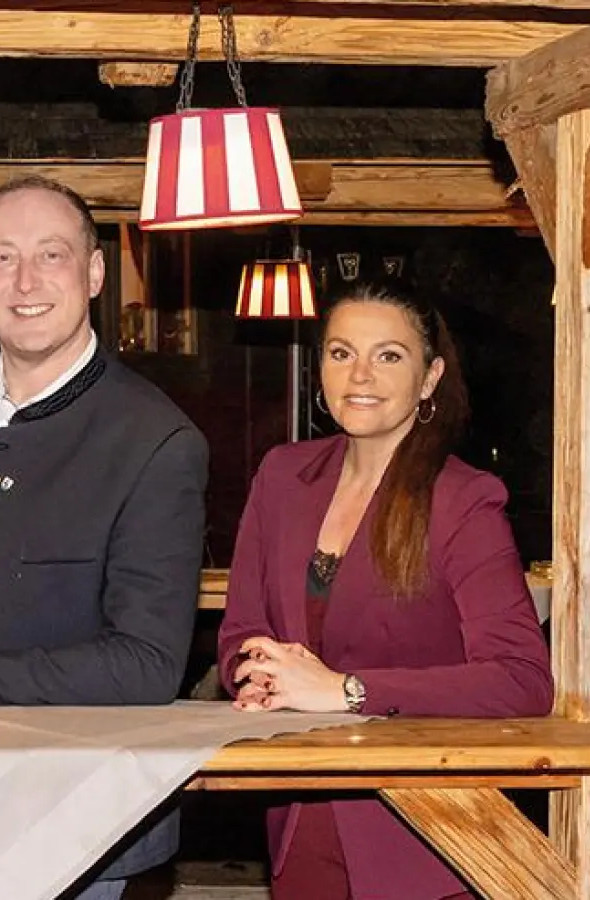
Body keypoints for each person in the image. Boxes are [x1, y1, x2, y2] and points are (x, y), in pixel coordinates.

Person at [0, 175, 210, 899]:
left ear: (93, 273)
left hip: (65, 812)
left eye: (51, 256)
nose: (24, 281)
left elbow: (146, 665)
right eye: (0, 257)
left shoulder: (156, 439)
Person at [217, 283, 554, 900]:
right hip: (300, 812)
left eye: (389, 355)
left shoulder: (464, 499)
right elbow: (241, 629)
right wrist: (259, 673)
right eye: (341, 353)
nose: (360, 374)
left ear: (430, 379)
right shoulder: (282, 476)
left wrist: (347, 691)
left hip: (425, 833)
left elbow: (522, 679)